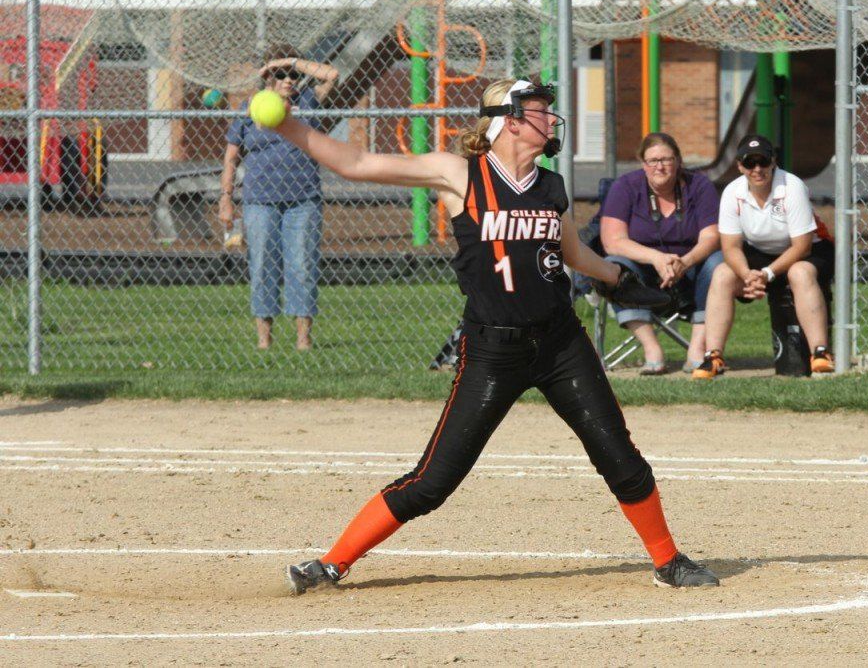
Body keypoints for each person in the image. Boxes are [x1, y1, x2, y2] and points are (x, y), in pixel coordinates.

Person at [268, 78, 720, 593]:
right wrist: (286, 123)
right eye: (540, 111)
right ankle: (331, 564)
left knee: (618, 455)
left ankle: (668, 561)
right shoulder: (459, 173)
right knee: (432, 482)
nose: (551, 119)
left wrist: (622, 282)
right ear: (508, 119)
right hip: (492, 350)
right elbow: (355, 163)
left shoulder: (551, 186)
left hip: (560, 344)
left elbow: (575, 255)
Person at [218, 44, 339, 350]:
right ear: (268, 78)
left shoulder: (309, 101)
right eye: (281, 75)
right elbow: (231, 158)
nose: (289, 80)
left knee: (302, 265)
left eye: (293, 75)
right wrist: (225, 198)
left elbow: (332, 74)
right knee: (261, 266)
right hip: (259, 201)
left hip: (303, 200)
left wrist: (288, 61)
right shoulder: (251, 107)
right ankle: (264, 340)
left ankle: (303, 339)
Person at [692, 134, 835, 379]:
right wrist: (747, 275)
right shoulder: (732, 192)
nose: (757, 169)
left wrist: (767, 274)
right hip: (761, 252)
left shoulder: (791, 186)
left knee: (799, 272)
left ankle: (819, 353)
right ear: (739, 166)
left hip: (811, 249)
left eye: (763, 162)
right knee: (723, 273)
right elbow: (731, 247)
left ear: (773, 162)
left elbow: (802, 247)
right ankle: (712, 357)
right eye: (749, 163)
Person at [599, 132, 723, 374]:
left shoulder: (699, 186)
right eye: (653, 161)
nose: (660, 166)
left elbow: (712, 236)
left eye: (666, 159)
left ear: (678, 161)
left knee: (719, 264)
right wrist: (656, 258)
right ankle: (652, 350)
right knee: (613, 265)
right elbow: (613, 241)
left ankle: (697, 350)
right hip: (642, 277)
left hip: (691, 272)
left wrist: (685, 262)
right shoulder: (625, 187)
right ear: (643, 164)